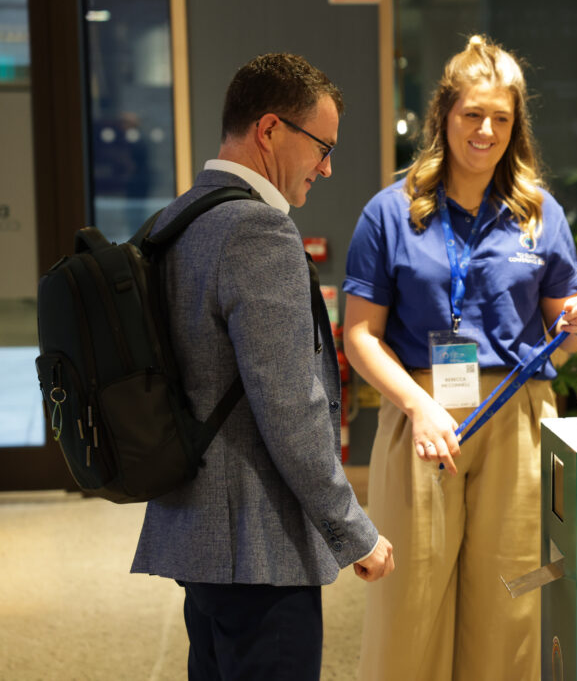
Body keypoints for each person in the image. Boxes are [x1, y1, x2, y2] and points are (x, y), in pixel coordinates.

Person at [344, 35, 577, 680]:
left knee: (509, 606)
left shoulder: (539, 214)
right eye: (471, 114)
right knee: (411, 605)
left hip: (516, 417)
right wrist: (418, 405)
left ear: (515, 126)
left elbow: (561, 333)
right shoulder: (390, 212)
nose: (485, 130)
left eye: (501, 118)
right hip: (422, 417)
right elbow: (359, 336)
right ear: (444, 117)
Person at [130, 52, 394, 680]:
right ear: (270, 130)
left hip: (200, 533)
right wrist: (352, 528)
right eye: (321, 147)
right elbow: (290, 407)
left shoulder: (175, 220)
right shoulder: (259, 232)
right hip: (259, 545)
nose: (327, 168)